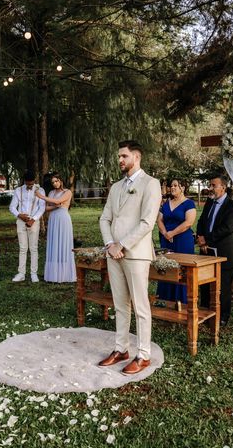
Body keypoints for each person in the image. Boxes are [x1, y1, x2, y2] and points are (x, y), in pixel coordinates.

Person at [98, 140, 162, 375]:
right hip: (113, 254)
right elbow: (104, 219)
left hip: (136, 254)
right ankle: (121, 348)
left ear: (137, 157)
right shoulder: (115, 187)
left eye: (124, 156)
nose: (120, 160)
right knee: (120, 304)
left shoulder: (151, 184)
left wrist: (122, 244)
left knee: (140, 306)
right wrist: (110, 245)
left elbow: (147, 222)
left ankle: (143, 354)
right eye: (119, 157)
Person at [196, 175, 233, 326]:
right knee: (204, 285)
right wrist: (200, 237)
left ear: (223, 187)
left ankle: (222, 317)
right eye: (210, 185)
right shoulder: (209, 202)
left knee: (223, 287)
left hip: (223, 252)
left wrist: (207, 240)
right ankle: (205, 313)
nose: (210, 188)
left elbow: (227, 228)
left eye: (213, 185)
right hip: (205, 251)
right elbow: (201, 221)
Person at [156, 178, 197, 304]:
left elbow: (189, 222)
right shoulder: (166, 204)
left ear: (182, 188)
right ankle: (164, 300)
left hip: (183, 241)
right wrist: (165, 234)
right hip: (166, 240)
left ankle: (182, 302)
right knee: (165, 268)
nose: (172, 188)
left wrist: (172, 233)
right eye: (171, 186)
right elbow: (159, 220)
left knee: (182, 270)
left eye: (175, 185)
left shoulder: (189, 204)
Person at [35, 172, 77, 283]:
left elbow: (59, 201)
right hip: (53, 219)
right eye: (53, 182)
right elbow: (45, 208)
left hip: (63, 219)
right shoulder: (51, 192)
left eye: (56, 181)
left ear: (61, 181)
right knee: (54, 243)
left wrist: (41, 197)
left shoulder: (67, 192)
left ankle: (64, 274)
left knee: (63, 243)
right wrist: (54, 206)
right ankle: (53, 274)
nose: (54, 184)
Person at [9, 170, 46, 283]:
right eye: (27, 183)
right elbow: (12, 207)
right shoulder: (18, 190)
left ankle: (33, 274)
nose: (29, 185)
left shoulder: (40, 190)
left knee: (33, 248)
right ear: (24, 181)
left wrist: (33, 219)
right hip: (21, 221)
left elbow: (42, 207)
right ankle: (21, 273)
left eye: (31, 183)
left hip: (34, 222)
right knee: (23, 248)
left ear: (34, 180)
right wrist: (19, 215)